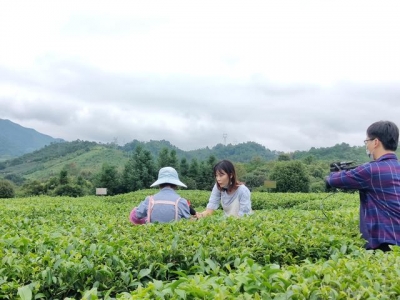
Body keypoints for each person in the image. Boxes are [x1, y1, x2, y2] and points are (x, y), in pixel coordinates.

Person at [326, 120, 400, 252]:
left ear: (375, 142)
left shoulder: (371, 170)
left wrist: (333, 174)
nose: (367, 145)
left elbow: (334, 180)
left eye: (367, 141)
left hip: (385, 244)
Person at [129, 166, 193, 224]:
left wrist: (146, 218)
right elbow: (188, 221)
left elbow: (134, 217)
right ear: (176, 185)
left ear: (159, 184)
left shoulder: (149, 200)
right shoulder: (181, 202)